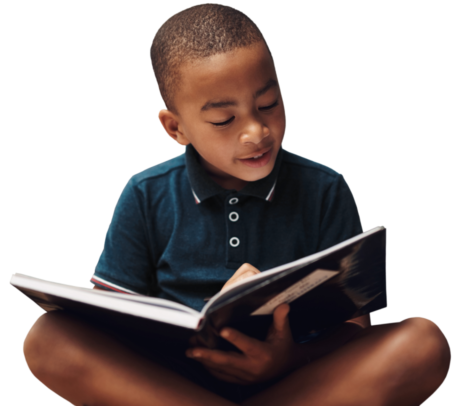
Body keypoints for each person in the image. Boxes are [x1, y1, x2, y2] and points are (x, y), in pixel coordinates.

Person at [22, 4, 451, 405]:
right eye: (224, 120)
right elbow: (110, 324)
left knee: (424, 343)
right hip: (170, 386)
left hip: (298, 379)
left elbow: (355, 328)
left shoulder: (325, 188)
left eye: (269, 104)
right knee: (47, 338)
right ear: (175, 128)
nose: (256, 131)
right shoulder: (145, 193)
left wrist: (287, 360)